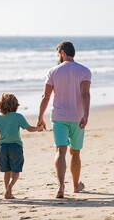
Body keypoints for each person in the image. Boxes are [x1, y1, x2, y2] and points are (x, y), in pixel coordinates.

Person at [37, 41, 91, 198]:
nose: (58, 57)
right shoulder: (85, 71)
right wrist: (86, 115)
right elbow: (85, 94)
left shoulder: (53, 71)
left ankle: (61, 187)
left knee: (60, 151)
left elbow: (46, 96)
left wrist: (40, 116)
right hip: (77, 117)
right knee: (75, 152)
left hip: (59, 117)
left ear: (62, 53)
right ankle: (75, 186)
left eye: (58, 54)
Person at [0, 93, 44, 199]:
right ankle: (10, 186)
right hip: (15, 147)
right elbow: (29, 129)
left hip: (2, 148)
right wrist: (38, 128)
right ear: (16, 105)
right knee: (16, 171)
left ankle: (7, 191)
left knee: (6, 171)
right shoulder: (18, 117)